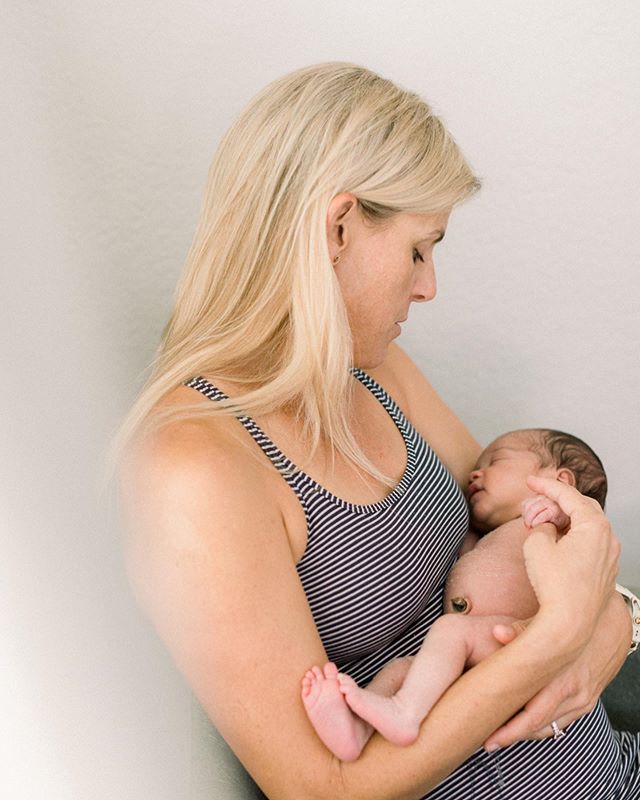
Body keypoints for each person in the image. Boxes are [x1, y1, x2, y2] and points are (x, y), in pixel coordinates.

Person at [114, 62, 640, 799]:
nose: (428, 286)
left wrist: (616, 625)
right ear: (337, 229)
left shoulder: (376, 371)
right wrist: (557, 642)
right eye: (420, 249)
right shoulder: (196, 466)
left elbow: (523, 531)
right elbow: (318, 787)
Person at [301, 428, 614, 761]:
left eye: (497, 460)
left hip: (516, 638)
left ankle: (405, 713)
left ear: (561, 480)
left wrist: (557, 510)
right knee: (401, 670)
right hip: (479, 652)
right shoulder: (493, 533)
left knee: (449, 632)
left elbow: (584, 545)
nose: (475, 473)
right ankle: (358, 729)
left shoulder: (555, 519)